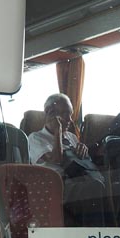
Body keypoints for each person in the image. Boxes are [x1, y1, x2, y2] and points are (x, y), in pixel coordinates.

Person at [27, 93, 104, 224]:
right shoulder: (35, 138)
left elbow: (81, 163)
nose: (70, 120)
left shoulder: (71, 137)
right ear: (49, 113)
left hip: (78, 180)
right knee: (94, 187)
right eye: (65, 114)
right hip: (56, 186)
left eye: (70, 114)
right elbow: (56, 159)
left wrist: (83, 151)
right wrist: (58, 131)